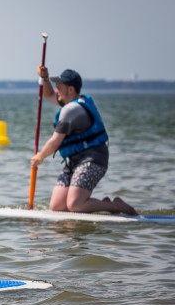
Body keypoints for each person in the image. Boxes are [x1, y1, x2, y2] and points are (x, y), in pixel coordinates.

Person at [31, 68, 136, 215]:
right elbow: (47, 94)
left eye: (59, 87)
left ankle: (116, 206)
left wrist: (40, 157)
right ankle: (100, 204)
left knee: (74, 204)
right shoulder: (69, 102)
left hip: (93, 159)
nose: (56, 90)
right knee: (57, 206)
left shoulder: (71, 110)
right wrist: (45, 78)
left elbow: (55, 141)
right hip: (74, 161)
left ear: (71, 90)